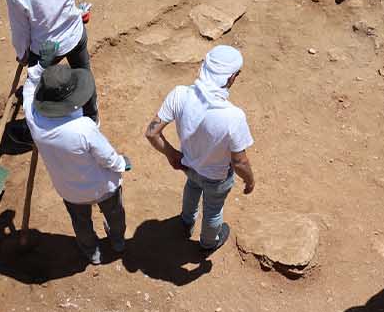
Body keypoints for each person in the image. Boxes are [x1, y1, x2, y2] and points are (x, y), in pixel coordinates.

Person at [143, 45, 255, 253]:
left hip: (188, 165)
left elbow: (152, 133)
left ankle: (186, 223)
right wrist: (249, 180)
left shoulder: (179, 94)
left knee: (192, 189)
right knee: (213, 211)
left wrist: (171, 153)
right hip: (217, 176)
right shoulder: (233, 116)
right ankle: (208, 243)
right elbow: (239, 162)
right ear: (230, 77)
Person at [24, 65, 129, 265]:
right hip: (102, 186)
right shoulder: (83, 128)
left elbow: (28, 93)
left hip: (70, 191)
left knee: (81, 222)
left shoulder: (34, 120)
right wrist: (122, 163)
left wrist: (37, 70)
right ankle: (117, 241)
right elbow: (108, 158)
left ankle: (92, 252)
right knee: (115, 214)